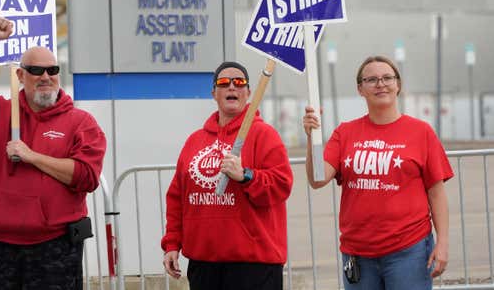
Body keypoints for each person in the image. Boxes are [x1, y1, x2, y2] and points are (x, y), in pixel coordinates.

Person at [0, 16, 107, 290]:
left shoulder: (81, 123)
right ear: (20, 76)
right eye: (36, 70)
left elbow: (86, 176)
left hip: (55, 247)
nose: (46, 77)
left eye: (52, 69)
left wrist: (32, 156)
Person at [302, 55, 453, 290]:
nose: (380, 84)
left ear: (398, 85)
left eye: (387, 78)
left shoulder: (421, 132)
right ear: (360, 89)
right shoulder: (345, 132)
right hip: (358, 254)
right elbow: (317, 179)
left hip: (409, 251)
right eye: (371, 79)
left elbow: (436, 193)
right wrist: (313, 138)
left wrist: (442, 242)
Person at [161, 61, 293, 290]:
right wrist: (172, 243)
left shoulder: (264, 135)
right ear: (214, 93)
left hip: (253, 264)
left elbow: (281, 186)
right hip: (204, 264)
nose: (232, 87)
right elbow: (177, 197)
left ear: (248, 92)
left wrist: (246, 176)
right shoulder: (195, 140)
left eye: (239, 82)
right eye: (224, 83)